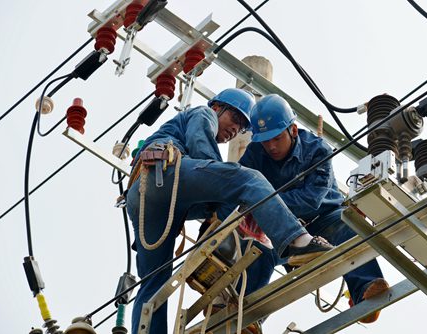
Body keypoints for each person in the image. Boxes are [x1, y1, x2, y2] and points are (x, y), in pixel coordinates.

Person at [125, 88, 333, 334]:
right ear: (217, 108)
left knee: (153, 285)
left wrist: (227, 221)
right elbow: (203, 151)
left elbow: (217, 203)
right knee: (249, 181)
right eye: (234, 118)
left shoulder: (208, 123)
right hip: (167, 172)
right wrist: (231, 192)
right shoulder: (204, 114)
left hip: (147, 199)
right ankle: (298, 241)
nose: (235, 129)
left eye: (242, 127)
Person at [238, 94, 389, 324]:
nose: (271, 146)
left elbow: (311, 200)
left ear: (293, 130)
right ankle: (246, 318)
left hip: (324, 218)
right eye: (265, 141)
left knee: (346, 223)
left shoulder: (317, 149)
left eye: (276, 138)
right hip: (282, 231)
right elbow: (238, 188)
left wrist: (265, 204)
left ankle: (365, 289)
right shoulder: (254, 154)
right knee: (257, 252)